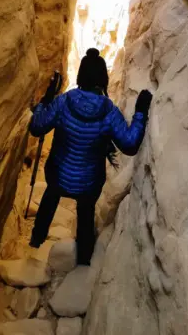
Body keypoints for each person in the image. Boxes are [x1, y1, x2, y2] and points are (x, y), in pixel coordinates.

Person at [29, 48, 152, 265]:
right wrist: (141, 112)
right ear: (103, 78)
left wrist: (45, 101)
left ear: (80, 76)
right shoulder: (108, 111)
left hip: (58, 176)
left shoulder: (64, 102)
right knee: (85, 215)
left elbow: (37, 126)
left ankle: (36, 242)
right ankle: (84, 262)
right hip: (89, 184)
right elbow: (130, 144)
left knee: (50, 198)